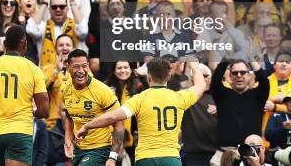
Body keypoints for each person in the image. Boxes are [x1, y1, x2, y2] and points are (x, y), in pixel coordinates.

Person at [75, 58, 206, 166]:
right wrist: (194, 66)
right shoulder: (180, 97)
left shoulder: (139, 99)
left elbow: (111, 117)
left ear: (149, 78)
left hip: (145, 158)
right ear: (169, 77)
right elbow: (201, 85)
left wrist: (87, 126)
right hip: (170, 158)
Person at [0, 25, 49, 166]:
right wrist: (32, 112)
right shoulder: (33, 69)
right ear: (25, 45)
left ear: (4, 45)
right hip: (19, 132)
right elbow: (44, 110)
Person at [62, 49, 124, 165]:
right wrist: (68, 140)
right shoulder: (65, 89)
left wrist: (113, 156)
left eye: (84, 66)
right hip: (79, 149)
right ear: (68, 66)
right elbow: (69, 117)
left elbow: (119, 123)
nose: (81, 71)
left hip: (101, 148)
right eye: (76, 66)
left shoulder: (102, 91)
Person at [210, 59, 269, 162]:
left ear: (249, 75)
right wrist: (226, 58)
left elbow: (264, 81)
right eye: (235, 73)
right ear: (230, 76)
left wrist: (251, 58)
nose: (239, 75)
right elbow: (215, 80)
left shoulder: (258, 95)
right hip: (224, 153)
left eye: (243, 72)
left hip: (251, 154)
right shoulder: (222, 95)